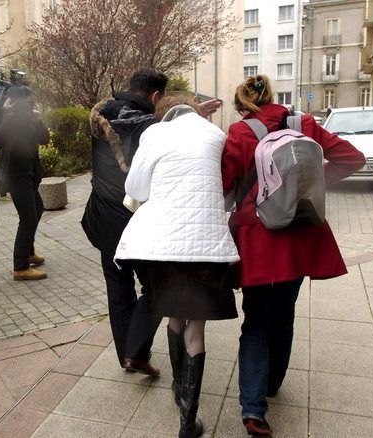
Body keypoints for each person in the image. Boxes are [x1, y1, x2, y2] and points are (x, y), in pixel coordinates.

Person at [221, 75, 365, 437]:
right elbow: (353, 158)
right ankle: (271, 384)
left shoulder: (241, 132)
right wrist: (312, 185)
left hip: (259, 237)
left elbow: (224, 184)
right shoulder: (305, 124)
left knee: (256, 323)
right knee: (284, 311)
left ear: (243, 105)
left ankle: (254, 411)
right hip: (302, 234)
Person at [116, 96, 240, 438]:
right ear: (194, 111)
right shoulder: (215, 133)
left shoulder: (155, 134)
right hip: (207, 243)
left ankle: (177, 390)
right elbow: (225, 186)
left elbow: (135, 188)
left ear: (163, 113)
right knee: (195, 330)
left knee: (173, 314)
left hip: (163, 243)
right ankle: (188, 419)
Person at [83, 68, 222, 375]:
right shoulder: (152, 125)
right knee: (157, 289)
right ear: (157, 95)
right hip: (136, 222)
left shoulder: (102, 114)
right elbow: (160, 129)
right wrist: (194, 113)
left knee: (118, 290)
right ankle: (135, 351)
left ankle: (130, 356)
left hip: (103, 218)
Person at [0, 87, 50, 281]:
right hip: (15, 174)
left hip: (30, 172)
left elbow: (44, 139)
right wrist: (8, 115)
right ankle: (20, 267)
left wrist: (38, 121)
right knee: (28, 217)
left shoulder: (28, 118)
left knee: (37, 210)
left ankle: (28, 252)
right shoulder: (0, 117)